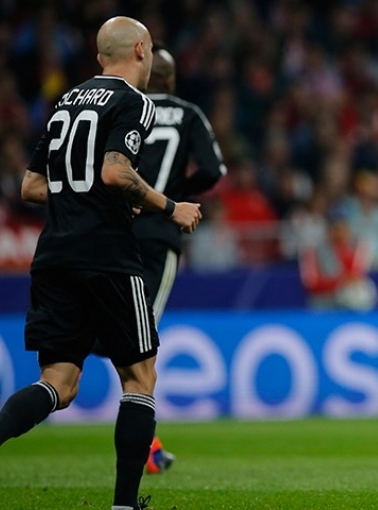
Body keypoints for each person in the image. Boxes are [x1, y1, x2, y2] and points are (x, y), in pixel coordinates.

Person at [0, 17, 202, 510]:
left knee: (58, 383)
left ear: (101, 56)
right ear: (142, 50)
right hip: (108, 257)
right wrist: (169, 206)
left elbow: (31, 186)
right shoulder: (135, 102)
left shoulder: (65, 102)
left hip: (53, 257)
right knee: (139, 378)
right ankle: (124, 505)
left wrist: (88, 197)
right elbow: (114, 172)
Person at [132, 44, 226, 472]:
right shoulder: (187, 113)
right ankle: (145, 446)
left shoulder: (122, 107)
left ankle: (146, 441)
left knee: (124, 330)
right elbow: (214, 169)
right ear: (171, 80)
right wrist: (175, 193)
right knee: (142, 337)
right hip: (159, 231)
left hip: (114, 229)